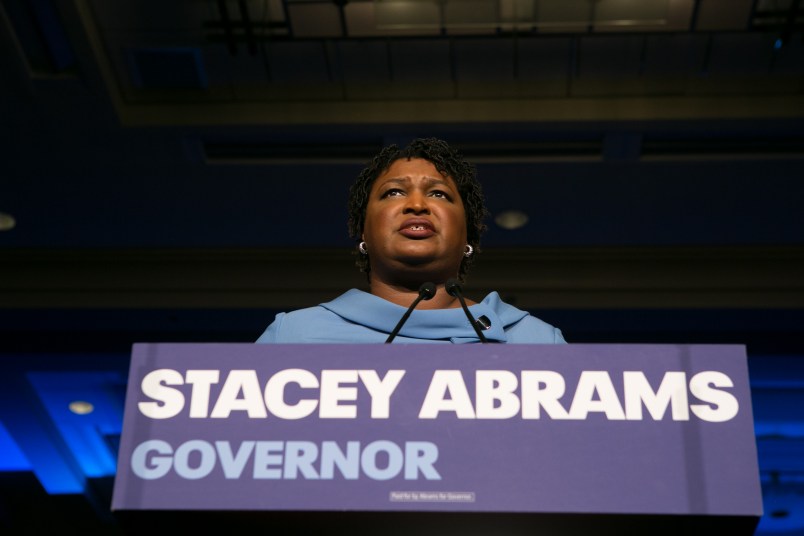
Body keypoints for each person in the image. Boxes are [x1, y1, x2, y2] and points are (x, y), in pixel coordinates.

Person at [256, 138, 565, 344]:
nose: (417, 205)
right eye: (394, 192)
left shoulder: (536, 340)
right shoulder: (294, 336)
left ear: (467, 236)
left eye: (438, 194)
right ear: (363, 232)